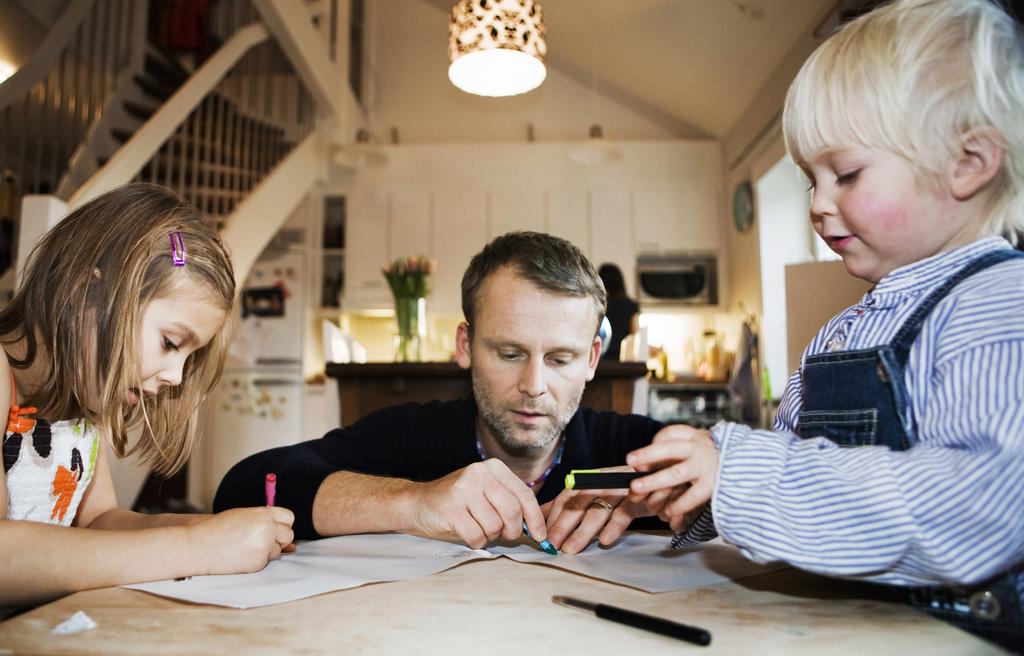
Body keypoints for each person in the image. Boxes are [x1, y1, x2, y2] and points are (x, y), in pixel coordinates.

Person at [624, 0, 1024, 650]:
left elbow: (979, 505)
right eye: (811, 180)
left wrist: (742, 476)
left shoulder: (1000, 302)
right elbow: (794, 470)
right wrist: (701, 488)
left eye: (846, 174)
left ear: (968, 163)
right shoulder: (841, 333)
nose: (819, 205)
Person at [215, 232, 663, 553]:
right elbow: (244, 487)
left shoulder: (633, 448)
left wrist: (704, 480)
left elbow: (720, 476)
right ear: (465, 346)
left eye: (561, 359)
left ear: (591, 359)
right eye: (509, 354)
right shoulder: (411, 433)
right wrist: (414, 501)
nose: (533, 386)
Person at [0, 183, 294, 611]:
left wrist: (218, 530)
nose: (176, 376)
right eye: (172, 343)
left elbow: (100, 522)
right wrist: (198, 547)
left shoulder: (79, 405)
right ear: (89, 294)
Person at [597, 263, 639, 361]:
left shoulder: (597, 305)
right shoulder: (631, 306)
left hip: (599, 362)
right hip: (623, 364)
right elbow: (635, 337)